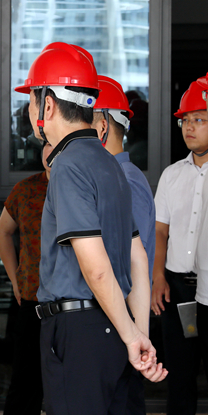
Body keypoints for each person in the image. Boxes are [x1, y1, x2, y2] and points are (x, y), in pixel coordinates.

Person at [15, 42, 167, 415]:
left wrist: (133, 337)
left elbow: (95, 267)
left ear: (47, 105)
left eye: (32, 100)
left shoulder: (68, 166)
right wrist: (137, 332)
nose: (30, 110)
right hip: (115, 325)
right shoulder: (110, 163)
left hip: (79, 333)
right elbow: (138, 256)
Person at [91, 75, 156, 415]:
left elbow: (134, 259)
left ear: (101, 127)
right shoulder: (113, 178)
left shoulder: (126, 181)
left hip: (124, 316)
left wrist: (134, 329)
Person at [152, 76, 208, 415]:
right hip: (178, 291)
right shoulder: (172, 175)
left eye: (199, 119)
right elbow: (160, 231)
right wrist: (158, 276)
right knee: (180, 375)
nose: (189, 127)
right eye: (185, 120)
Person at [0, 142, 52, 415]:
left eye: (58, 143)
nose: (51, 152)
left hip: (75, 303)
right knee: (25, 381)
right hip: (32, 299)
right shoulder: (26, 189)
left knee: (68, 383)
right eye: (47, 144)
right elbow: (2, 232)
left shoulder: (82, 185)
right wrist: (15, 278)